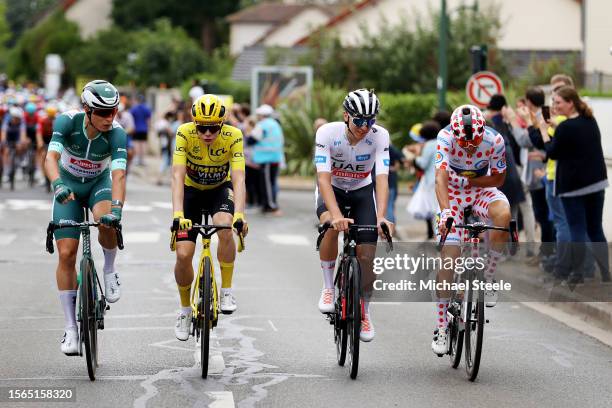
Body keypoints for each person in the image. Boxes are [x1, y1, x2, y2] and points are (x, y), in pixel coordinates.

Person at [44, 80, 127, 355]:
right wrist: (57, 184)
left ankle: (109, 268)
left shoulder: (116, 134)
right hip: (68, 186)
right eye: (102, 112)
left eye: (113, 112)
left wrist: (116, 209)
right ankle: (70, 329)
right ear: (86, 110)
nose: (109, 118)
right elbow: (50, 159)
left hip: (98, 185)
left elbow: (118, 175)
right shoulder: (66, 122)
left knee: (106, 219)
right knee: (66, 254)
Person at [315, 89, 393, 342]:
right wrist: (335, 216)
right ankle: (328, 287)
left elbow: (382, 178)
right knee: (330, 225)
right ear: (346, 116)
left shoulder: (379, 137)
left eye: (370, 121)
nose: (365, 127)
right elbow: (323, 179)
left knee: (367, 255)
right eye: (359, 121)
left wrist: (381, 216)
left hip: (362, 191)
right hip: (333, 190)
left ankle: (365, 311)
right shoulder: (327, 133)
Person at [432, 105, 511, 355]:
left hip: (479, 189)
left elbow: (499, 178)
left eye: (473, 141)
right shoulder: (445, 137)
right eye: (463, 141)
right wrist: (446, 212)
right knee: (450, 257)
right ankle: (442, 326)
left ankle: (488, 276)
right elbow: (440, 178)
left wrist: (470, 180)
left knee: (503, 215)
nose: (468, 146)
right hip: (452, 195)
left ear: (482, 131)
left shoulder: (495, 139)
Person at [171, 94, 248, 341]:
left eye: (212, 128)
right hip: (191, 191)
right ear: (194, 123)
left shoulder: (234, 136)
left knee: (224, 226)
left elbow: (238, 178)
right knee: (183, 254)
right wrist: (177, 214)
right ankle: (184, 310)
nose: (206, 133)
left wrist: (240, 214)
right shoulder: (184, 132)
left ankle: (226, 289)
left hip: (219, 190)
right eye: (201, 127)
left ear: (222, 124)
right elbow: (177, 175)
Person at [538, 86, 610, 284]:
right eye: (553, 102)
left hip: (573, 187)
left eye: (558, 102)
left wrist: (545, 132)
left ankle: (577, 274)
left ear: (570, 102)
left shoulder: (566, 128)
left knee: (577, 228)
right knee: (595, 228)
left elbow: (552, 152)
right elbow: (571, 142)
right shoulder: (589, 120)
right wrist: (557, 128)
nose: (555, 106)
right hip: (596, 183)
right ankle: (605, 273)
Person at [251, 104, 284, 215]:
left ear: (262, 115)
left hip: (266, 158)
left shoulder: (262, 125)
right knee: (272, 182)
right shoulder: (275, 124)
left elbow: (253, 139)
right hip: (275, 157)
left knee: (267, 184)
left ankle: (270, 205)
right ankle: (268, 204)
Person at [130, 94, 151, 166]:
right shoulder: (146, 108)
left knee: (136, 144)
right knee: (143, 144)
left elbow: (131, 118)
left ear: (137, 100)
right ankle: (142, 160)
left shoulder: (134, 109)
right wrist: (149, 128)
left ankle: (137, 159)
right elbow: (148, 120)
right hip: (144, 129)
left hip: (136, 129)